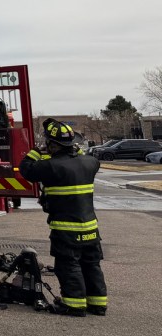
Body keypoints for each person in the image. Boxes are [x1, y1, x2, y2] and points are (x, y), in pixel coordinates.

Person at [18, 117, 107, 317]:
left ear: (52, 144)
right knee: (91, 265)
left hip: (66, 229)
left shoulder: (51, 166)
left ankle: (74, 305)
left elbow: (26, 169)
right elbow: (82, 158)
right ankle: (98, 304)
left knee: (69, 266)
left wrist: (36, 151)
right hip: (91, 228)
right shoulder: (90, 163)